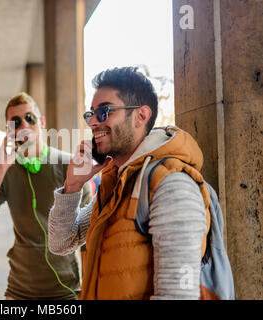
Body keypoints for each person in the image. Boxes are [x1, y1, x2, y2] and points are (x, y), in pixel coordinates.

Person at [48, 67, 211, 300]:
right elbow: (61, 243)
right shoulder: (116, 184)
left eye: (104, 111)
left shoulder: (171, 185)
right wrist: (72, 187)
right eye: (90, 114)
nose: (93, 122)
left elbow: (178, 295)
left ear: (141, 116)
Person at [0, 92, 92, 300]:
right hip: (19, 289)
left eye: (30, 118)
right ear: (9, 131)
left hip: (65, 290)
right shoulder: (7, 171)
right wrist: (0, 169)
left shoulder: (68, 165)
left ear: (42, 122)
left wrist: (89, 290)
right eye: (15, 122)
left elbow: (90, 234)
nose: (24, 126)